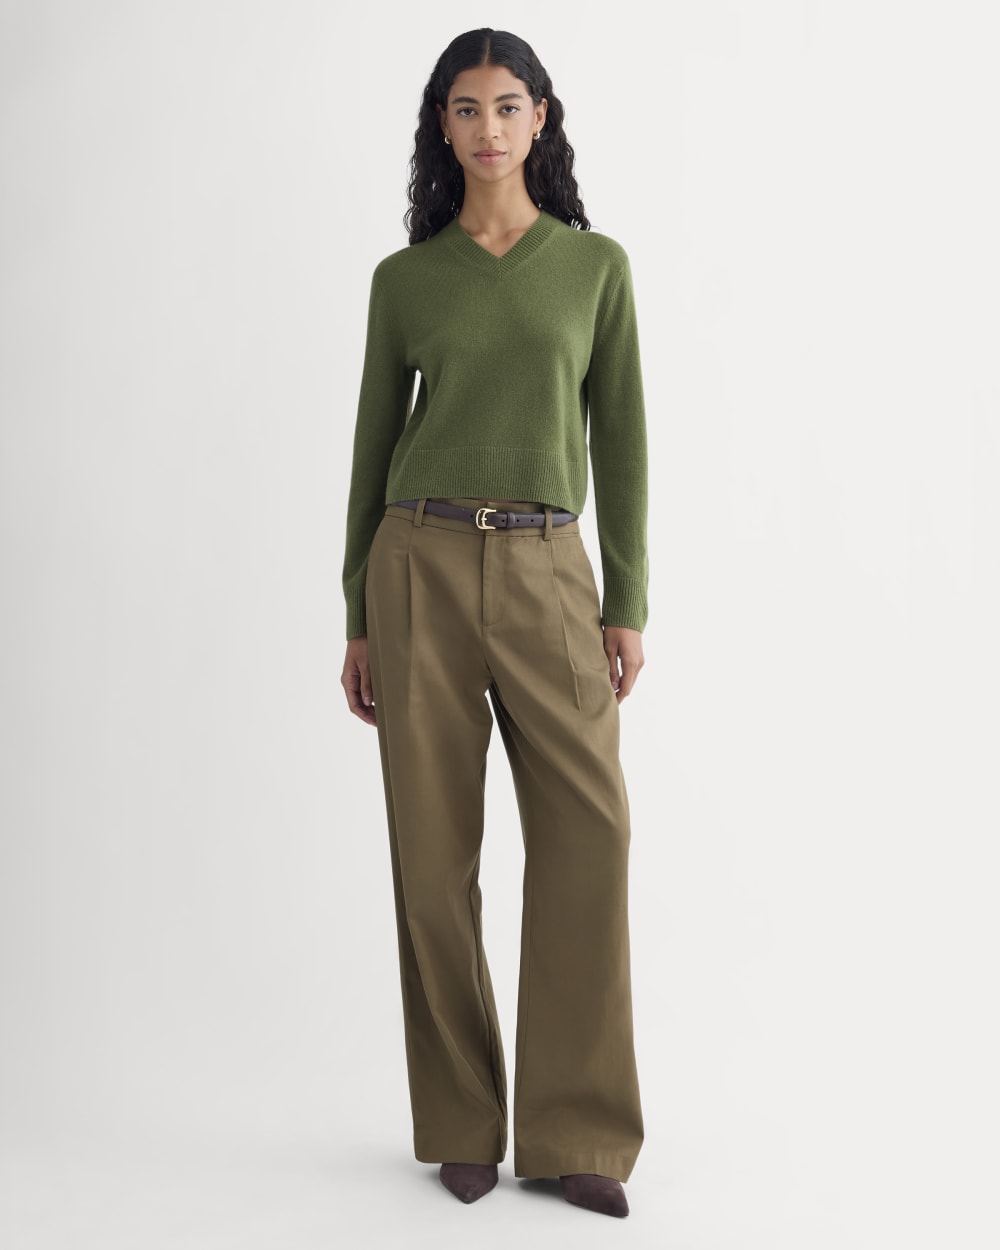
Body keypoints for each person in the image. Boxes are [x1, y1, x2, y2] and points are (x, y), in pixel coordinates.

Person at [340, 28, 648, 1219]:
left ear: (539, 118)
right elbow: (371, 448)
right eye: (464, 109)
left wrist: (625, 597)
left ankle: (577, 1130)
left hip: (547, 568)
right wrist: (357, 610)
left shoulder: (594, 267)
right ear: (443, 125)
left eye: (507, 106)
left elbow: (622, 438)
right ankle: (461, 1121)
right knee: (432, 858)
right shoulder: (405, 280)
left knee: (590, 838)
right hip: (415, 562)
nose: (486, 128)